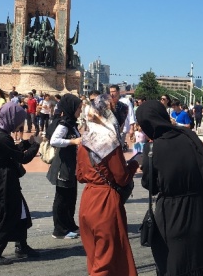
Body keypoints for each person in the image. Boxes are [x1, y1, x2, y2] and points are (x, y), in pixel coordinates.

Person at [138, 100, 203, 276]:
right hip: (200, 208)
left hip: (171, 212)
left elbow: (151, 186)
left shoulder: (152, 148)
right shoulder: (189, 136)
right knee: (202, 257)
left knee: (174, 260)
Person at [77, 94, 140, 275]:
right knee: (108, 258)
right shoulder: (110, 142)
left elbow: (80, 176)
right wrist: (135, 164)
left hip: (88, 199)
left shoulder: (85, 139)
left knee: (94, 255)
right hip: (105, 202)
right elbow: (122, 177)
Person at [0, 102, 40, 266]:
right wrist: (36, 145)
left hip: (3, 177)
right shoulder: (2, 137)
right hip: (3, 180)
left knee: (21, 212)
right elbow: (23, 158)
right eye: (20, 120)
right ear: (12, 118)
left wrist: (27, 143)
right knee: (11, 215)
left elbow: (12, 151)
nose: (21, 124)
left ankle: (22, 246)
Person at [47, 94, 82, 239]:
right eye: (79, 108)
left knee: (71, 196)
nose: (80, 110)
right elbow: (54, 141)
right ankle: (59, 230)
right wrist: (73, 142)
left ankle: (69, 225)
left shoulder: (72, 123)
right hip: (63, 167)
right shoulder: (64, 124)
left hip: (71, 165)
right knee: (62, 198)